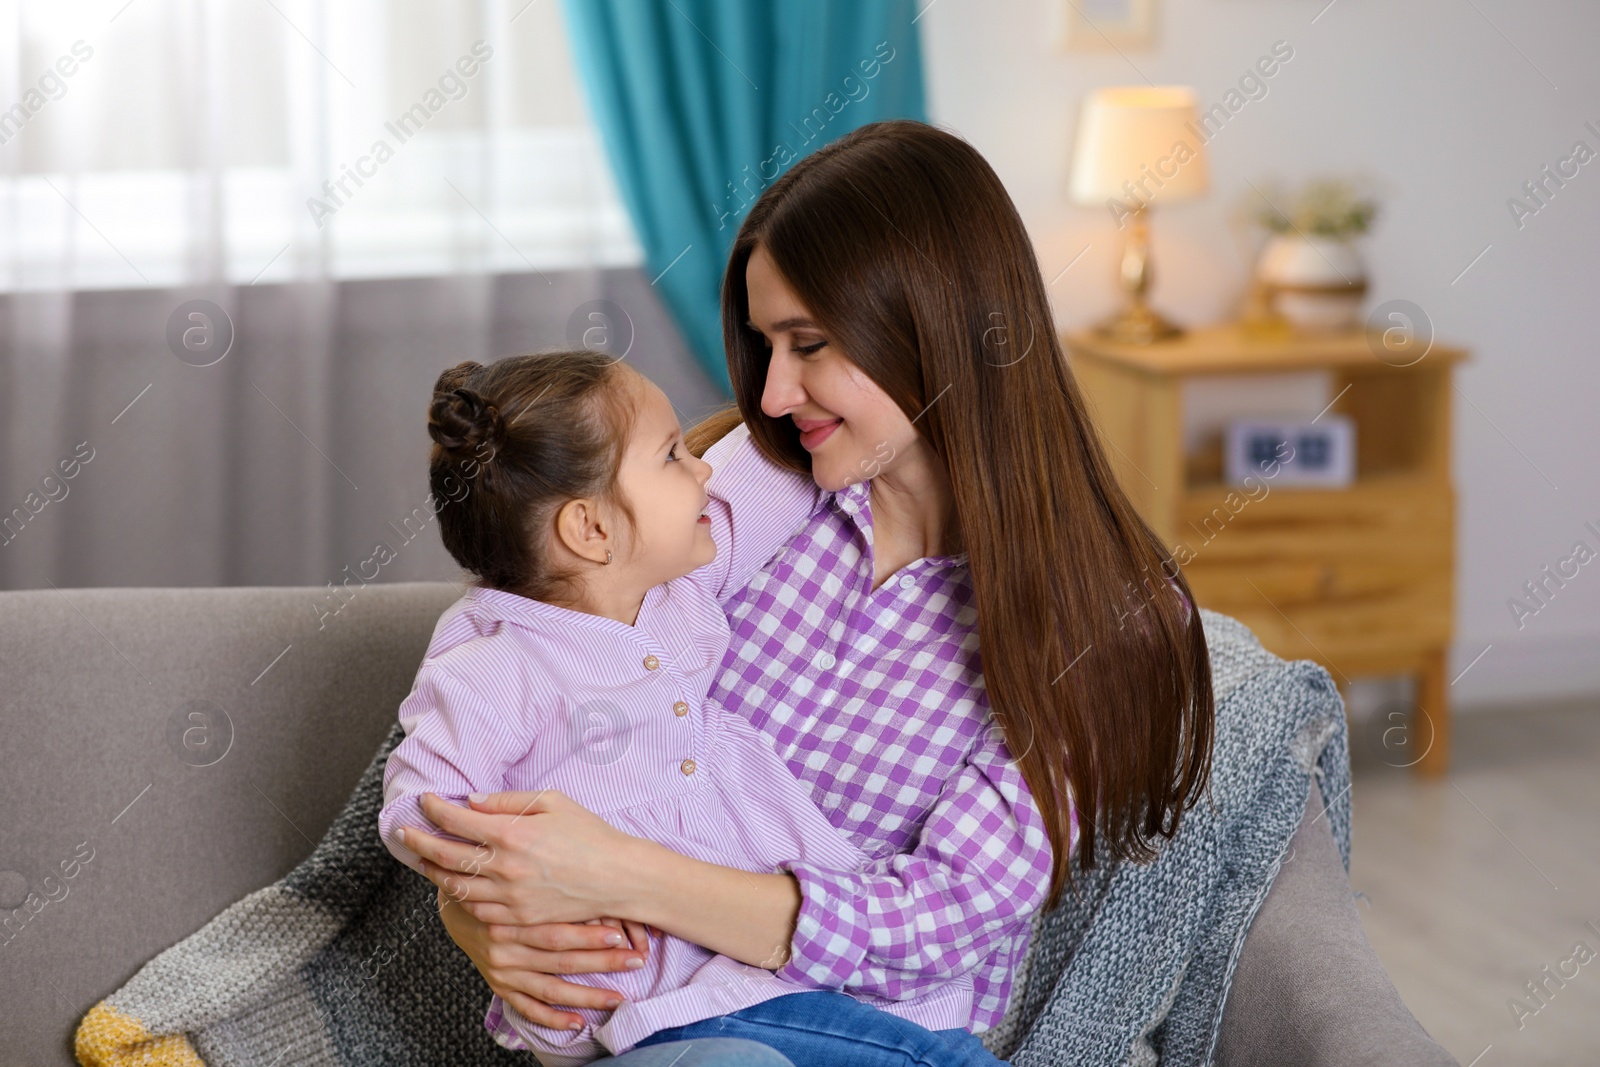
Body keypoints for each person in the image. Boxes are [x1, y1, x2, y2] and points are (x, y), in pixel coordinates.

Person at [400, 119, 1214, 1066]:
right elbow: (546, 660)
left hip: (858, 1034)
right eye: (764, 344)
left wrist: (619, 875)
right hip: (648, 1024)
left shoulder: (1114, 614)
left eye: (810, 343)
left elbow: (944, 916)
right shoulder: (760, 483)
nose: (774, 394)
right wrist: (484, 918)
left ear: (933, 327)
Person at [380, 351, 1008, 1066]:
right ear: (590, 530)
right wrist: (481, 891)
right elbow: (415, 802)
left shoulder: (674, 596)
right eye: (673, 456)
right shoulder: (497, 662)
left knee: (899, 1045)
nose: (705, 467)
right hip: (643, 996)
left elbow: (772, 476)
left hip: (727, 985)